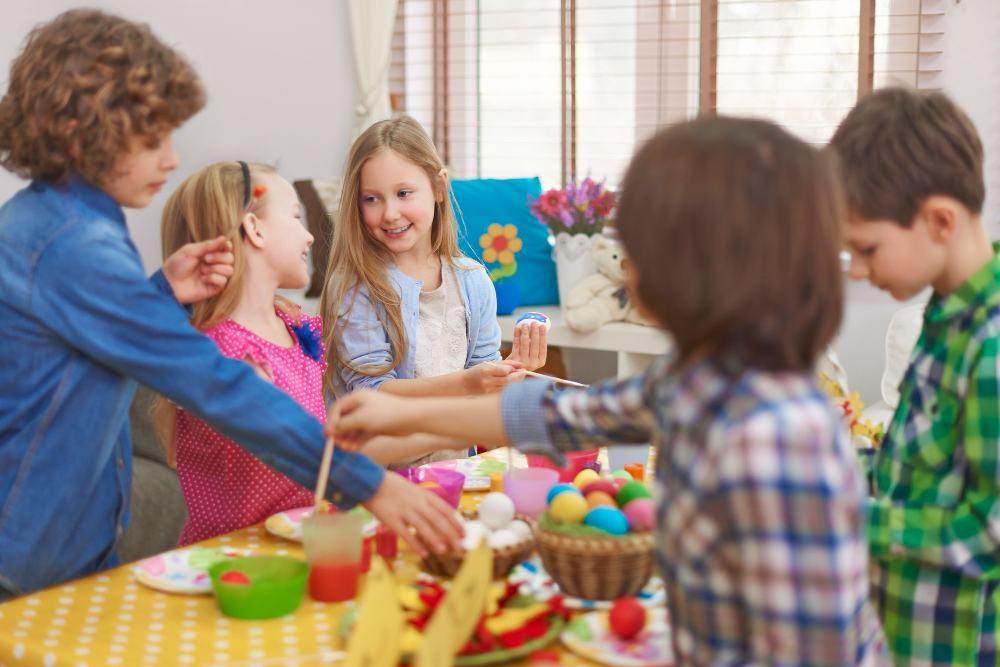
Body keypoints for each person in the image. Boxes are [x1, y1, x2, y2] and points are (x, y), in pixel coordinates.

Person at [327, 116, 886, 664]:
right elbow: (556, 415)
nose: (621, 263)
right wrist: (398, 411)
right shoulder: (702, 380)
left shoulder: (767, 422)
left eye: (637, 244)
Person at [0, 9, 460, 600]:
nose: (170, 159)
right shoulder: (75, 245)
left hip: (64, 535)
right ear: (79, 132)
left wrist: (157, 297)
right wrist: (366, 484)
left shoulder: (65, 220)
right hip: (32, 549)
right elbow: (214, 383)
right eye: (152, 139)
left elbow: (78, 348)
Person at [158, 162, 463, 544]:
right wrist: (460, 420)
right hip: (236, 560)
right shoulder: (215, 354)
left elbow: (335, 447)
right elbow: (310, 452)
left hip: (306, 545)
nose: (309, 236)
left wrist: (458, 421)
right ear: (254, 229)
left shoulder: (293, 326)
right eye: (295, 216)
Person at [832, 87, 998, 666]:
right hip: (897, 632)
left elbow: (987, 531)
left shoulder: (993, 346)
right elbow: (914, 473)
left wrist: (851, 521)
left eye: (867, 248)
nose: (856, 269)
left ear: (940, 220)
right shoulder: (941, 315)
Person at [320, 115, 547, 465]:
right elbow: (371, 394)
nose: (390, 213)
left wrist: (512, 372)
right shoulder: (355, 287)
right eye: (371, 199)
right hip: (377, 482)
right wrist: (470, 384)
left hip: (455, 474)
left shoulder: (473, 282)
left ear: (439, 188)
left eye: (403, 193)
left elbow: (485, 388)